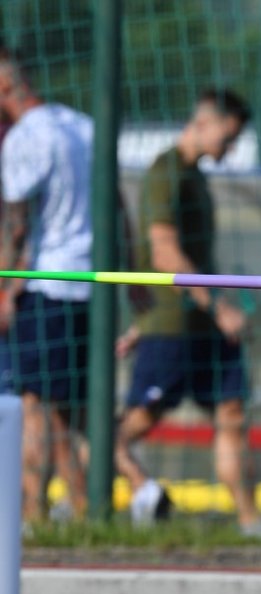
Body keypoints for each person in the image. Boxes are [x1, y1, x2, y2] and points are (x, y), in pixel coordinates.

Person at [115, 86, 261, 536]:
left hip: (203, 325)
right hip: (174, 324)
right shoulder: (166, 172)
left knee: (232, 413)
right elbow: (163, 254)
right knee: (136, 423)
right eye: (230, 135)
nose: (232, 146)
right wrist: (219, 306)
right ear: (204, 122)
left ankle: (251, 521)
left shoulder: (196, 176)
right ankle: (115, 491)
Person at [0, 49, 93, 523]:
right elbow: (115, 205)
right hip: (90, 282)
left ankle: (31, 515)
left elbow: (16, 225)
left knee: (34, 407)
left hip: (46, 283)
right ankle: (81, 508)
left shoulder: (25, 139)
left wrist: (3, 288)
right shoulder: (83, 126)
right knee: (66, 411)